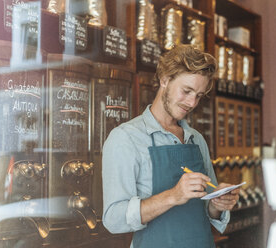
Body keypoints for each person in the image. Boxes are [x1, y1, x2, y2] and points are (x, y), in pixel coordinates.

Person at [102, 44, 239, 248]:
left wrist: (217, 204)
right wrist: (173, 196)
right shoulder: (126, 138)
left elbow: (205, 210)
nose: (192, 102)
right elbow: (113, 219)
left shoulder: (196, 140)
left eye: (199, 95)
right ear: (164, 79)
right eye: (186, 91)